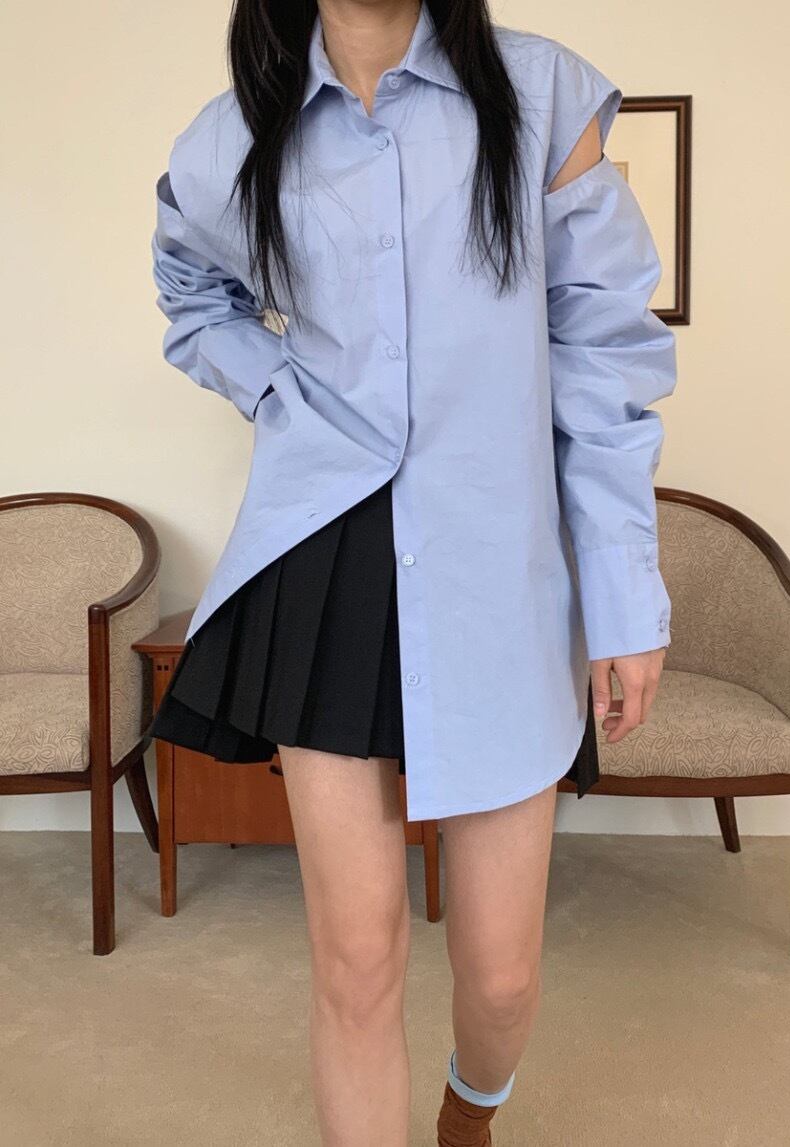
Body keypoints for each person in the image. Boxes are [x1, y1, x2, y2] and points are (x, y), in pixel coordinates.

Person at [146, 1, 677, 1142]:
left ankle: (469, 1107)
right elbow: (189, 289)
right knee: (355, 956)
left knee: (500, 975)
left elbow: (601, 351)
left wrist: (624, 596)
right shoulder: (234, 133)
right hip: (323, 558)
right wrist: (280, 392)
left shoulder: (540, 96)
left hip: (498, 563)